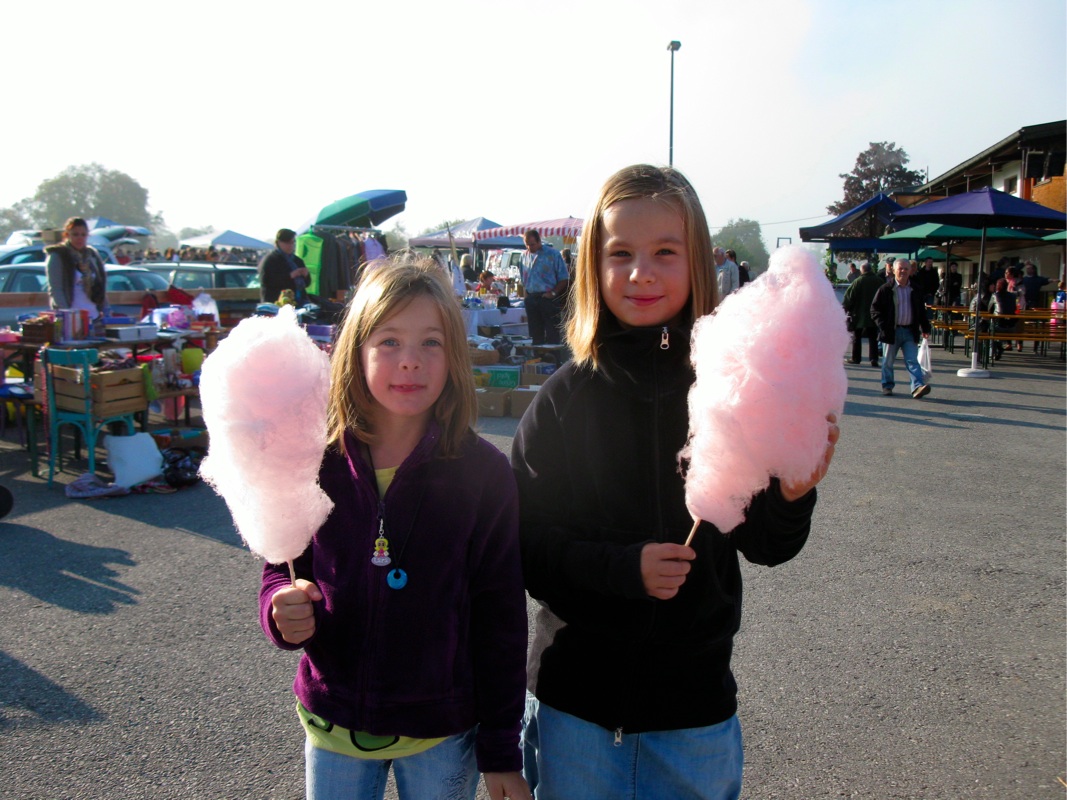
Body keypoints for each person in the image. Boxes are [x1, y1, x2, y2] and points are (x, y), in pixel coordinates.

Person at [512, 164, 837, 800]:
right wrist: (622, 570)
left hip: (693, 710)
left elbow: (766, 544)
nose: (642, 272)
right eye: (621, 254)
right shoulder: (563, 401)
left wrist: (793, 497)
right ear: (592, 266)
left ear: (698, 263)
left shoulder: (737, 392)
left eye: (666, 252)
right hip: (576, 705)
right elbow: (525, 547)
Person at [260, 254, 530, 800]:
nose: (410, 361)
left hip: (443, 731)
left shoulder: (484, 474)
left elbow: (501, 618)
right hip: (334, 720)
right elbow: (282, 564)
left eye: (431, 342)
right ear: (356, 352)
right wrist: (278, 608)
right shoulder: (314, 461)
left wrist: (502, 749)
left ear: (454, 357)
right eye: (389, 342)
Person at [871, 258, 932, 398]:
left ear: (910, 271)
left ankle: (917, 387)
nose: (903, 271)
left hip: (910, 331)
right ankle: (887, 385)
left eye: (906, 268)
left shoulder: (915, 289)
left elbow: (921, 311)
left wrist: (925, 328)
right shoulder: (886, 289)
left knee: (913, 361)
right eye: (900, 268)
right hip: (891, 331)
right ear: (894, 270)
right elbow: (874, 310)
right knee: (888, 362)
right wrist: (883, 326)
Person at [44, 216, 110, 331]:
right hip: (71, 317)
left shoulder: (92, 255)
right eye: (75, 234)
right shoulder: (58, 255)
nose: (80, 238)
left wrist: (106, 310)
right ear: (67, 235)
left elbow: (100, 285)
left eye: (83, 235)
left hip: (94, 316)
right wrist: (66, 315)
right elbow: (56, 289)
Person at [521, 230, 569, 345]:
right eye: (527, 244)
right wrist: (526, 297)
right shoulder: (523, 256)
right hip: (532, 297)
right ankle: (538, 355)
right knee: (535, 334)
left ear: (539, 241)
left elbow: (564, 278)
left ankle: (553, 356)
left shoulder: (553, 254)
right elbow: (524, 279)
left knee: (552, 332)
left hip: (548, 297)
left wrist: (553, 293)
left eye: (532, 244)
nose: (529, 247)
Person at [842, 261, 882, 366]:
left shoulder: (858, 281)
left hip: (858, 314)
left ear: (862, 270)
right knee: (873, 337)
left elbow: (849, 298)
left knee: (857, 337)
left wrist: (845, 310)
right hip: (875, 315)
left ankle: (856, 358)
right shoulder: (879, 281)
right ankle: (874, 358)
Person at [258, 228, 310, 305]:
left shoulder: (297, 260)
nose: (291, 245)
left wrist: (306, 275)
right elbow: (267, 282)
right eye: (288, 243)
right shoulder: (270, 260)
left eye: (293, 242)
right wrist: (290, 276)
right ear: (278, 243)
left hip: (298, 301)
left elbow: (307, 283)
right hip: (276, 302)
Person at [988, 278, 1017, 361]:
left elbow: (989, 309)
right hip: (1011, 327)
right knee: (996, 327)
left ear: (997, 286)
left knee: (989, 330)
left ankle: (993, 350)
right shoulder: (1013, 296)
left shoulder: (995, 295)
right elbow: (1014, 309)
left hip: (998, 326)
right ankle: (999, 346)